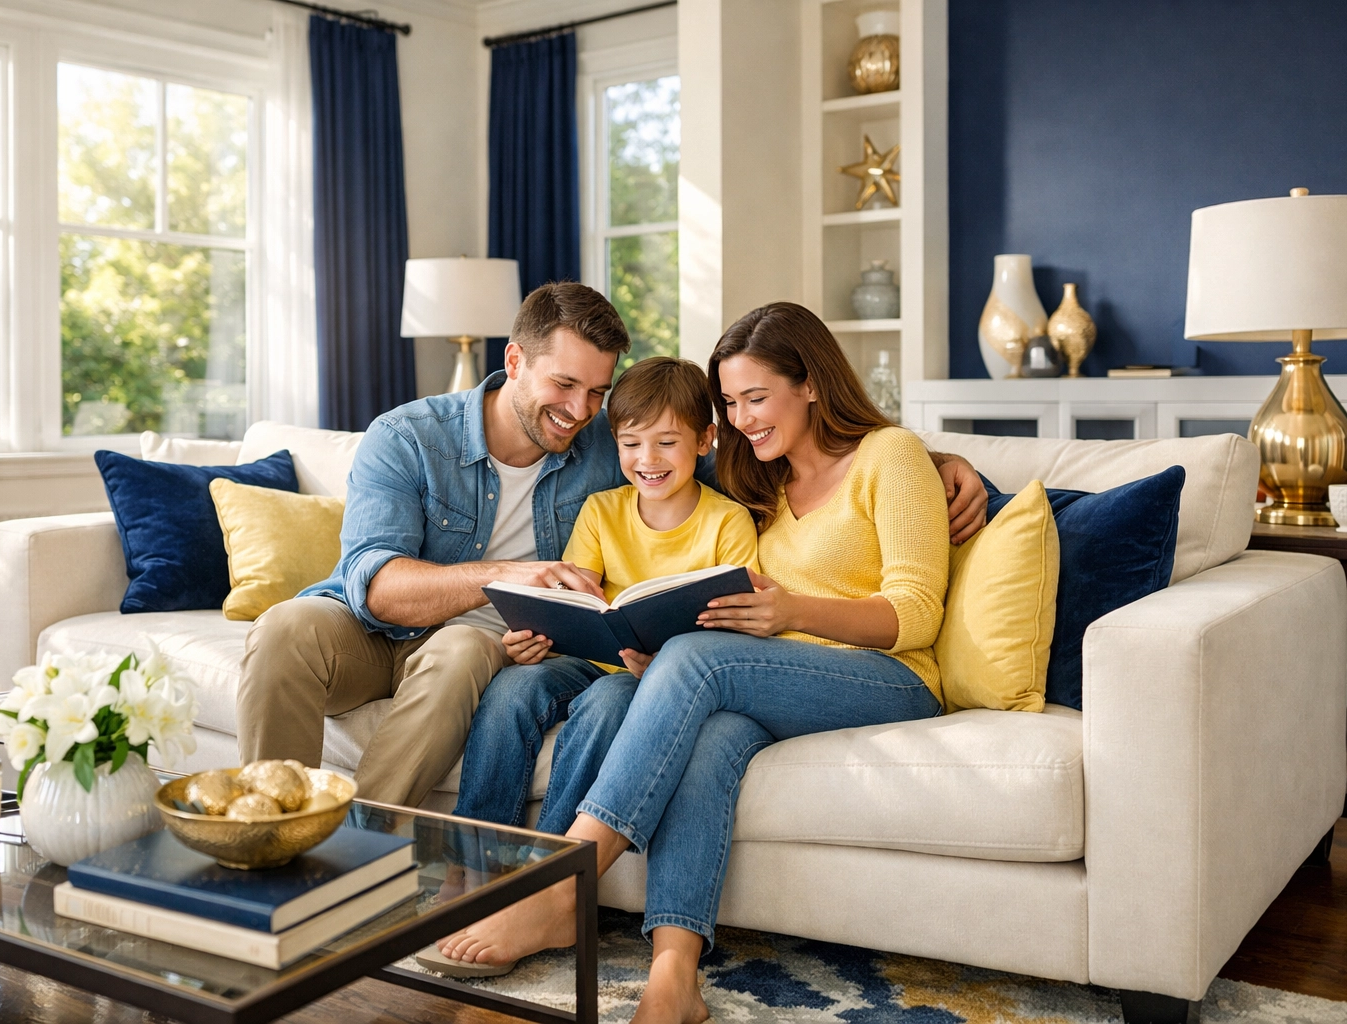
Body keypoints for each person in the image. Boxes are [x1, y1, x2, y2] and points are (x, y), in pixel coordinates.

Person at [236, 279, 987, 811]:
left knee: (470, 652)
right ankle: (267, 833)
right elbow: (374, 585)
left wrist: (939, 464)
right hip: (374, 628)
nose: (578, 412)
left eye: (597, 393)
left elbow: (722, 436)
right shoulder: (408, 436)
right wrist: (508, 572)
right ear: (514, 361)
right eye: (565, 386)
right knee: (284, 629)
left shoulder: (612, 443)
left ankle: (361, 847)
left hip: (482, 643)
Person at [435, 302, 955, 1024]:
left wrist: (796, 610)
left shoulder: (888, 456)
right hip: (772, 679)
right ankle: (674, 975)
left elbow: (918, 613)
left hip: (888, 679)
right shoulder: (758, 477)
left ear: (811, 384)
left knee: (695, 661)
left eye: (758, 398)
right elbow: (664, 452)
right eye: (733, 403)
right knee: (708, 743)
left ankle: (559, 889)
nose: (743, 419)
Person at [417, 358, 761, 975]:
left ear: (705, 441)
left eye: (667, 442)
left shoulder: (728, 521)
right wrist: (538, 638)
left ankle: (544, 884)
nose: (646, 458)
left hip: (655, 680)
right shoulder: (602, 511)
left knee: (606, 704)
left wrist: (660, 659)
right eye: (630, 443)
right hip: (586, 657)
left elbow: (730, 628)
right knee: (513, 688)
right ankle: (473, 866)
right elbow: (579, 600)